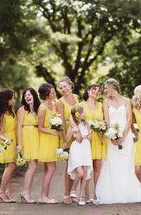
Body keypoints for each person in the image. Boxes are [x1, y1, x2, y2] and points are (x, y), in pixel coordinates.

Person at [95, 78, 141, 204]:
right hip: (111, 138)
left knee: (127, 164)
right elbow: (107, 121)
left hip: (126, 136)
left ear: (112, 87)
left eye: (106, 88)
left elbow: (129, 119)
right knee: (113, 164)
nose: (104, 91)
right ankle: (112, 193)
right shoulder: (106, 102)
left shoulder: (127, 101)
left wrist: (123, 135)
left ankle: (130, 193)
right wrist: (111, 136)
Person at [81, 84, 107, 201]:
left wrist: (103, 128)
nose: (96, 91)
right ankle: (85, 195)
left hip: (98, 139)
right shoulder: (81, 106)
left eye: (98, 90)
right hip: (86, 139)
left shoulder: (101, 106)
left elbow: (106, 121)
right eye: (93, 89)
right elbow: (76, 122)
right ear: (87, 91)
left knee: (97, 167)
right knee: (86, 167)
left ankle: (96, 194)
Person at [56, 76, 79, 204]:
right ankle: (66, 194)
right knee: (69, 165)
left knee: (76, 164)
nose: (63, 89)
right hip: (67, 135)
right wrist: (64, 139)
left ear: (70, 85)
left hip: (76, 134)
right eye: (61, 88)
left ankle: (73, 192)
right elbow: (61, 123)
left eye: (65, 86)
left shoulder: (76, 98)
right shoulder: (60, 102)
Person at [17, 87, 41, 203]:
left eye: (29, 94)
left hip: (35, 138)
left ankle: (27, 192)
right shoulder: (22, 109)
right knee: (31, 166)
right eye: (25, 95)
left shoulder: (37, 109)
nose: (27, 96)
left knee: (34, 165)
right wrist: (20, 144)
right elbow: (18, 127)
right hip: (26, 138)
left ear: (34, 96)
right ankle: (25, 193)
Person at [38, 83, 60, 203]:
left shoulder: (53, 104)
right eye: (52, 92)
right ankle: (43, 196)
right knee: (51, 169)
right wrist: (52, 132)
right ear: (47, 95)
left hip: (53, 140)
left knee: (49, 169)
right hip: (46, 140)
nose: (54, 93)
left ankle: (45, 195)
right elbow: (40, 127)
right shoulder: (42, 108)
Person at [66, 105, 93, 205]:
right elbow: (67, 139)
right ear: (78, 115)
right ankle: (73, 190)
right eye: (83, 112)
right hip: (76, 148)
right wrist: (73, 131)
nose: (84, 114)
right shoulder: (73, 126)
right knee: (80, 173)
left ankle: (82, 197)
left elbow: (90, 136)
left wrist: (87, 136)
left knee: (85, 174)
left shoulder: (87, 123)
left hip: (85, 147)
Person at [0, 89, 17, 203]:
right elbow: (1, 134)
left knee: (8, 168)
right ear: (6, 100)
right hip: (7, 142)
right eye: (12, 98)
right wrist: (7, 140)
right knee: (11, 166)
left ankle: (7, 193)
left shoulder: (11, 111)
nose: (13, 100)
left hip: (13, 141)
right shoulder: (1, 114)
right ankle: (1, 192)